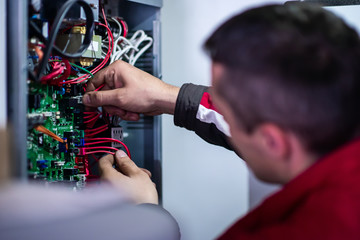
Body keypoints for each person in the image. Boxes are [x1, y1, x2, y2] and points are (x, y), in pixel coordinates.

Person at [83, 3, 360, 239]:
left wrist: (144, 217)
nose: (220, 110)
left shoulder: (315, 228)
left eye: (225, 104)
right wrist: (168, 98)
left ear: (273, 142)